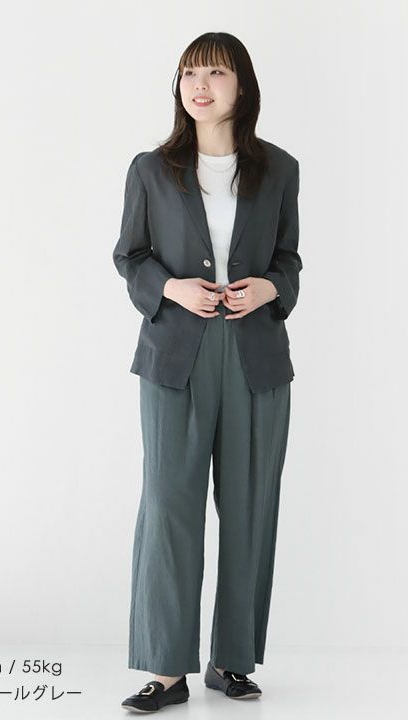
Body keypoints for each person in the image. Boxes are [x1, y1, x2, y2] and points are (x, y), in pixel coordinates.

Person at [113, 31, 302, 713]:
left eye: (215, 72)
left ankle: (231, 661)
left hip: (255, 358)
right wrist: (172, 289)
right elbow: (130, 256)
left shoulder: (279, 169)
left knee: (250, 507)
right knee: (169, 506)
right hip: (175, 356)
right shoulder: (151, 169)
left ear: (240, 85)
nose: (199, 85)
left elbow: (288, 260)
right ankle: (166, 671)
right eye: (189, 73)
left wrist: (269, 288)